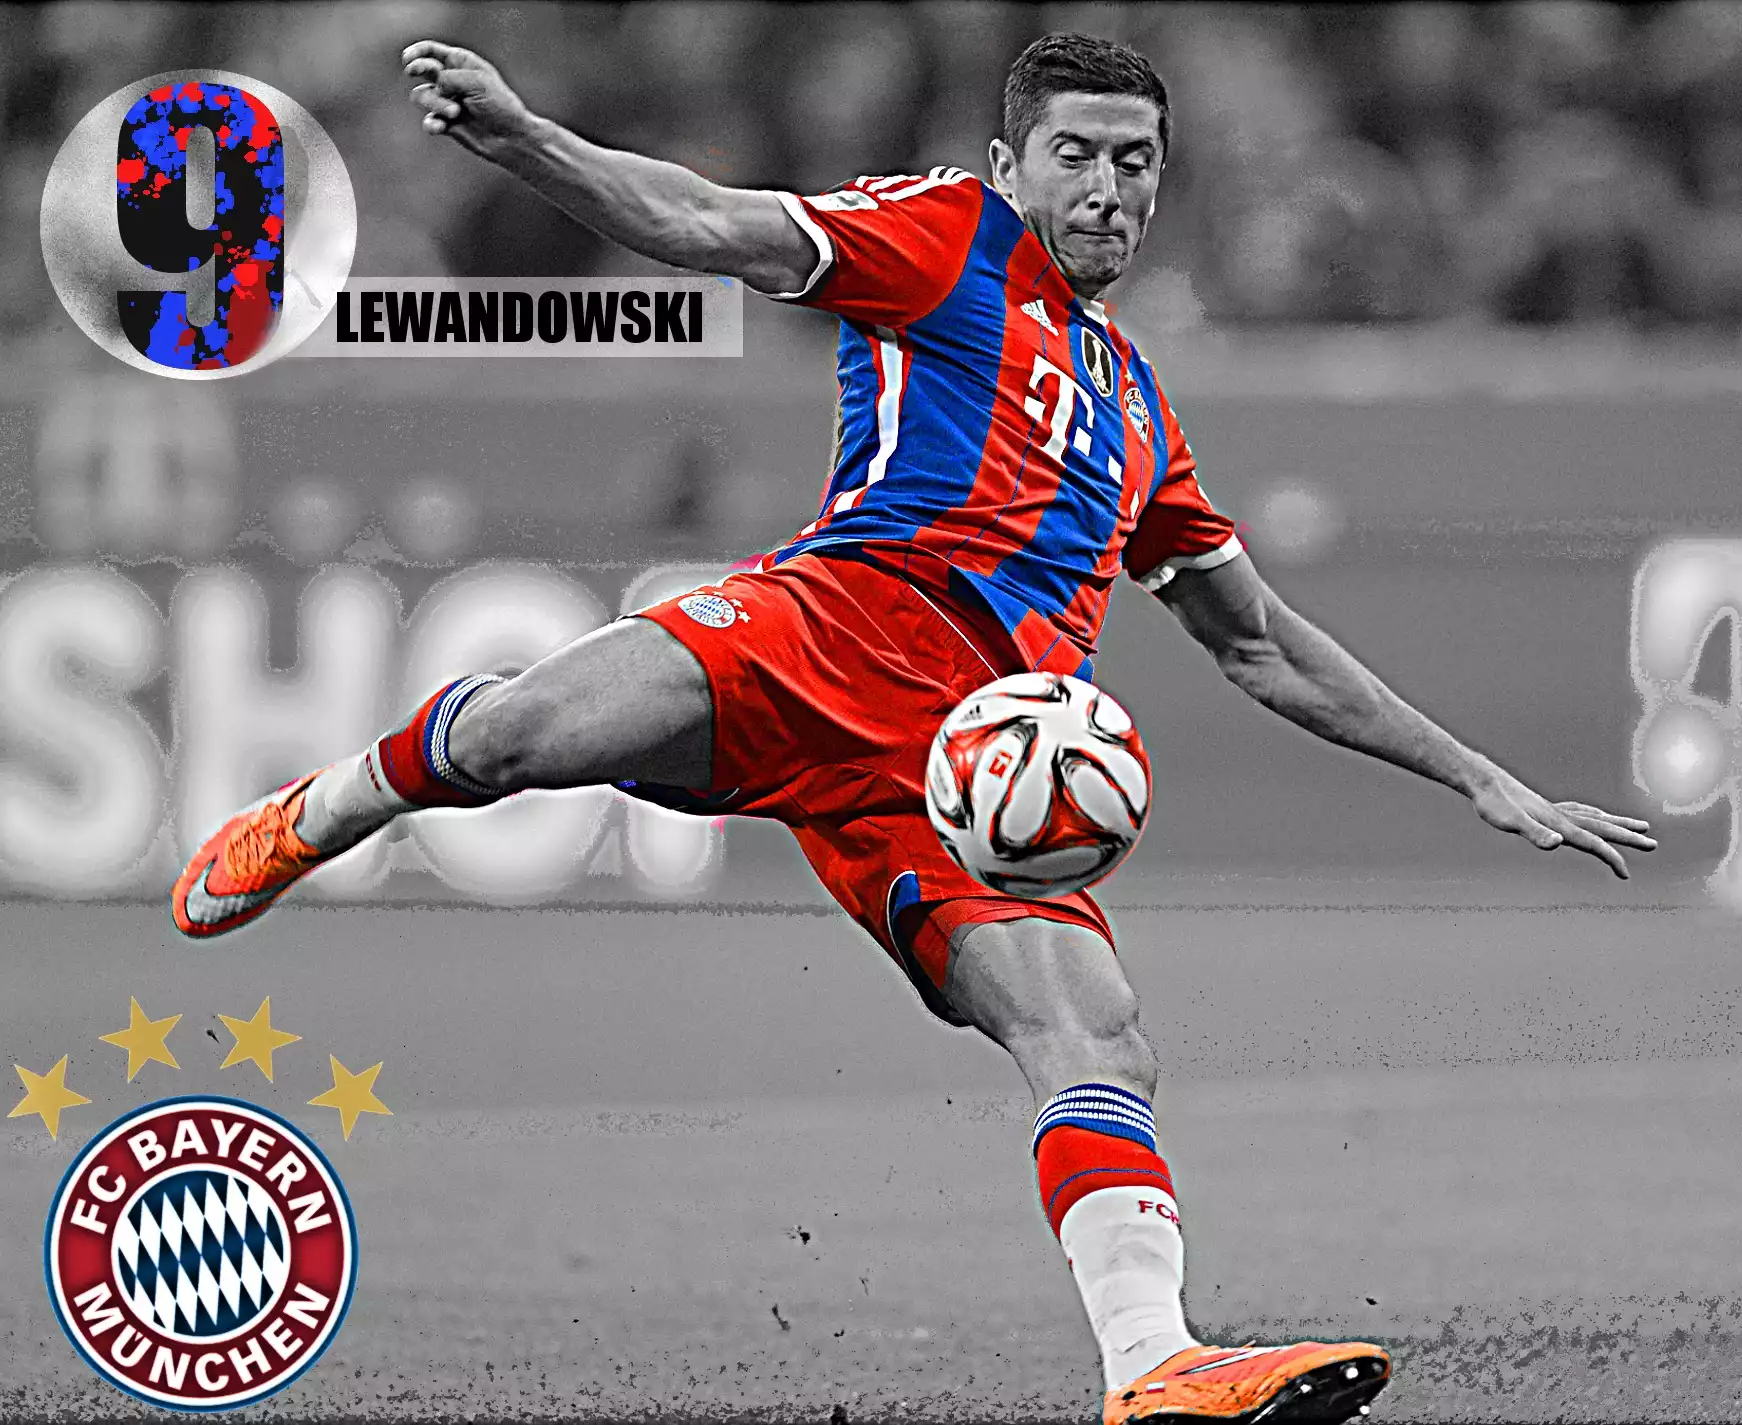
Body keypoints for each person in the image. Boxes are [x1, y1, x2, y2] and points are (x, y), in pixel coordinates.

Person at [171, 32, 1656, 1425]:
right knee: (516, 743)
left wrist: (1476, 777)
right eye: (1076, 155)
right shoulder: (947, 236)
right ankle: (322, 811)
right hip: (824, 633)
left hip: (964, 776)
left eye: (1136, 161)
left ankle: (1155, 1364)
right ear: (1010, 164)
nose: (1109, 188)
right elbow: (706, 223)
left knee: (1096, 1033)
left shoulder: (1142, 414)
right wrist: (523, 141)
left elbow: (1258, 644)